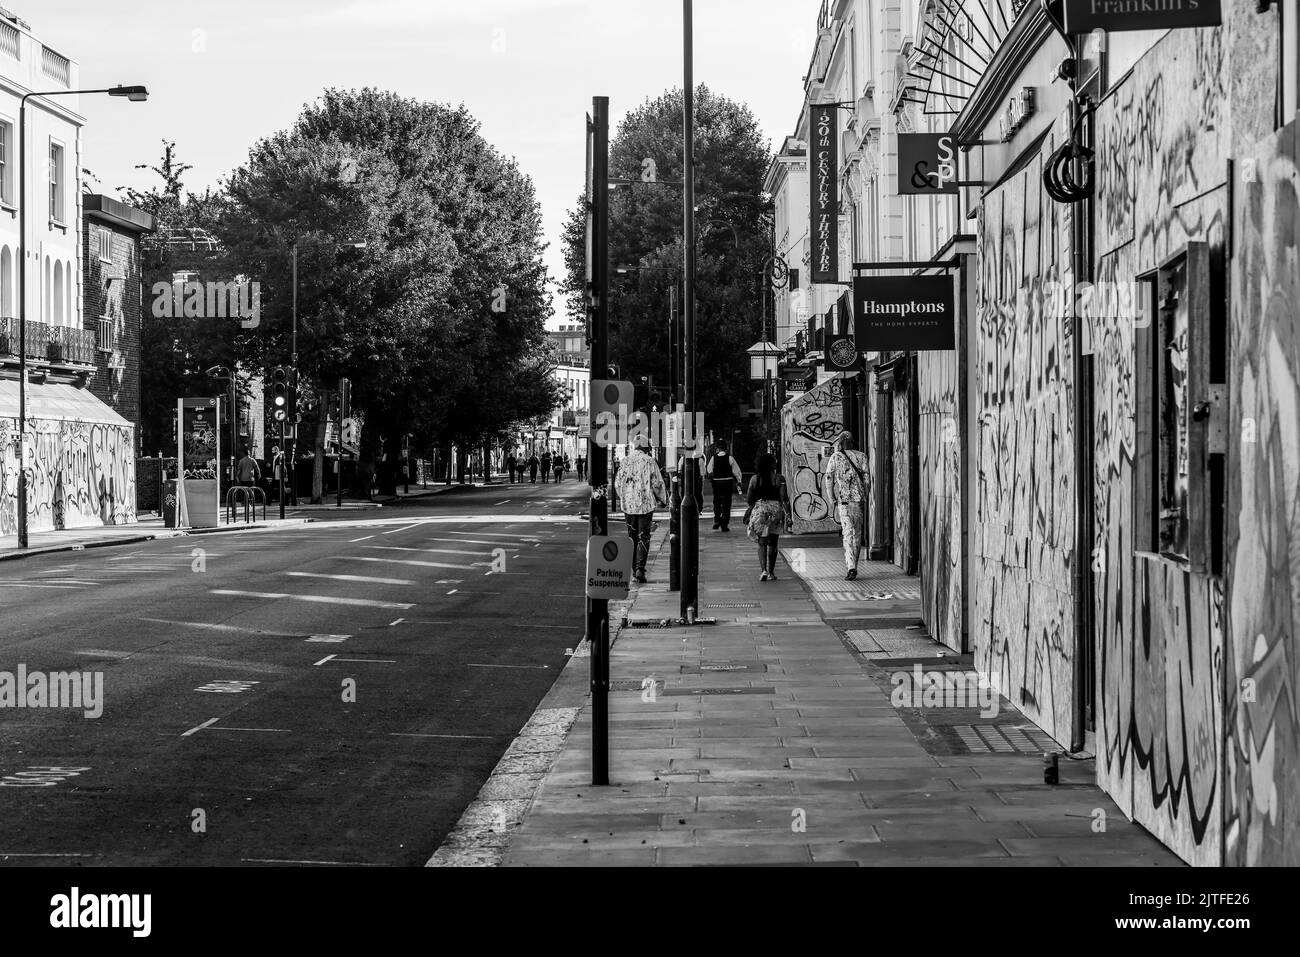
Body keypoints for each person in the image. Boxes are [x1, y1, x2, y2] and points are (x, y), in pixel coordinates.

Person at [614, 434, 668, 584]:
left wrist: (624, 497)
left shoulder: (625, 461)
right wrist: (663, 499)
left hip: (629, 506)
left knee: (632, 536)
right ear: (645, 447)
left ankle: (634, 570)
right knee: (643, 536)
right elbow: (657, 483)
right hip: (645, 505)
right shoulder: (650, 461)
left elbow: (618, 484)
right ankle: (640, 568)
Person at [824, 433, 870, 580]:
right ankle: (854, 566)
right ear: (852, 442)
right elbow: (867, 481)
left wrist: (832, 498)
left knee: (847, 534)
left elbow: (829, 479)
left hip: (844, 502)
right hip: (858, 502)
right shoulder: (862, 457)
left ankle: (851, 567)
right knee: (857, 534)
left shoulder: (835, 457)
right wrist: (866, 497)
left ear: (841, 442)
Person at [746, 452, 792, 581]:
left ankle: (763, 571)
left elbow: (749, 499)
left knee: (762, 543)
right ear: (772, 464)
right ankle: (771, 573)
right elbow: (784, 499)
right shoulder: (779, 479)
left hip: (760, 511)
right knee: (773, 543)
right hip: (776, 512)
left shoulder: (755, 479)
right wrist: (788, 515)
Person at [704, 439, 744, 532]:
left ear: (717, 449)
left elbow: (709, 470)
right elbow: (737, 472)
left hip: (717, 483)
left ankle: (717, 519)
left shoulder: (714, 458)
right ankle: (724, 524)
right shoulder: (730, 458)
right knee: (726, 503)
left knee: (717, 502)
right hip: (727, 483)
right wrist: (739, 481)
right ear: (726, 449)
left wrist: (712, 477)